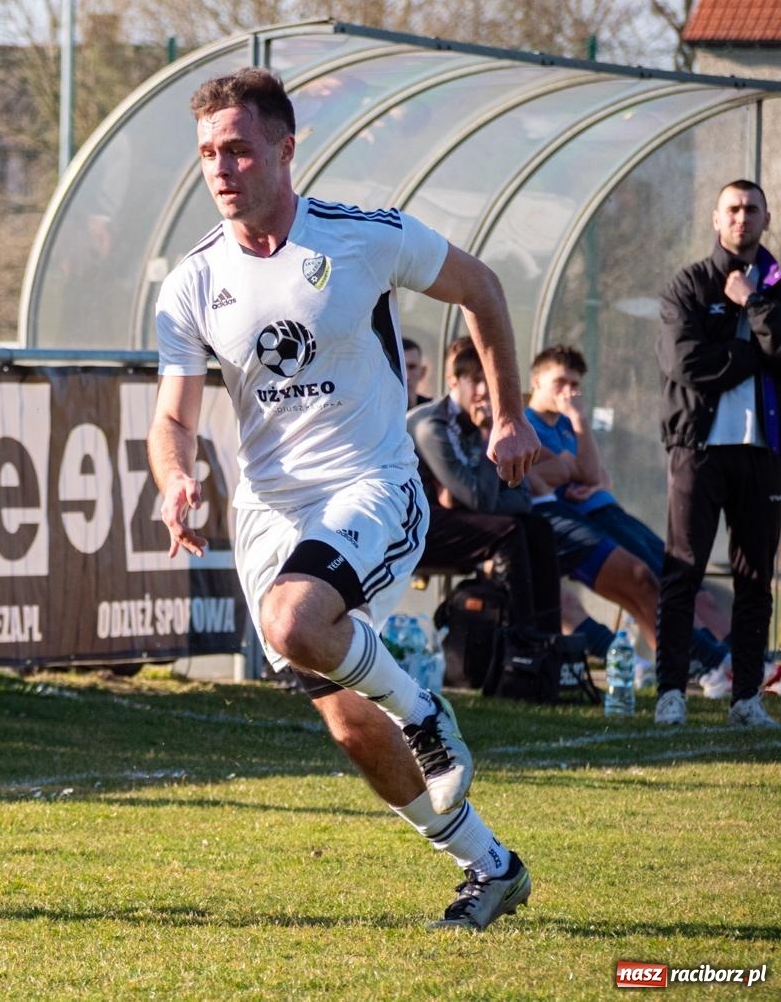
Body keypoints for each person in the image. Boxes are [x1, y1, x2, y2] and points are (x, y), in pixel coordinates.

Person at [149, 67, 538, 931]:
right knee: (353, 729)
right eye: (209, 153)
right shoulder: (190, 284)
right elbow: (171, 419)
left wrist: (509, 414)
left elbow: (482, 289)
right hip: (269, 515)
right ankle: (490, 865)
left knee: (296, 624)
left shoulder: (363, 238)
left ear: (286, 150)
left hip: (373, 485)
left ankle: (424, 706)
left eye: (239, 150)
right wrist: (176, 476)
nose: (222, 168)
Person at [415, 343, 663, 652]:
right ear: (453, 382)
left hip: (489, 519)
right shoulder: (435, 424)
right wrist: (489, 434)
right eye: (474, 381)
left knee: (533, 527)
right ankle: (526, 646)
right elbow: (479, 497)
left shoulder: (483, 421)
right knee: (513, 532)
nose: (483, 392)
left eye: (489, 382)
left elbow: (518, 494)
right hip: (419, 529)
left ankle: (548, 650)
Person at [655, 179, 781, 728]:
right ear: (716, 218)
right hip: (698, 449)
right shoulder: (689, 283)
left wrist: (751, 302)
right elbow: (686, 366)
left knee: (756, 579)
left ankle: (746, 698)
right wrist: (754, 351)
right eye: (732, 208)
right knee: (683, 571)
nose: (742, 218)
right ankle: (670, 694)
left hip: (763, 453)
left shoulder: (776, 283)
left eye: (752, 209)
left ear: (766, 218)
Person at [524, 344, 730, 678]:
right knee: (645, 582)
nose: (568, 393)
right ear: (536, 380)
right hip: (580, 521)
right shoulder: (525, 422)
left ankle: (718, 658)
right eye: (560, 382)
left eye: (575, 386)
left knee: (675, 579)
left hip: (607, 510)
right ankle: (710, 661)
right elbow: (560, 474)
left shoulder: (568, 424)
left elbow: (593, 475)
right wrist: (578, 470)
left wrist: (579, 429)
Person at [403, 336, 431, 407]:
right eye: (400, 369)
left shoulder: (435, 412)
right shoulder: (374, 413)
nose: (406, 376)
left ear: (422, 372)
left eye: (412, 367)